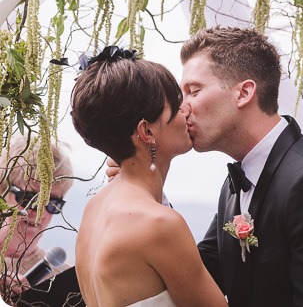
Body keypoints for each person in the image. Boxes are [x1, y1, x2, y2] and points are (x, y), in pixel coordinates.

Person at [108, 28, 303, 306]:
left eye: (193, 91)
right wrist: (145, 191)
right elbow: (201, 274)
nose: (183, 108)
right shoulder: (235, 184)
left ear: (244, 93)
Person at [70, 47, 227, 307]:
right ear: (146, 131)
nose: (187, 110)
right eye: (176, 107)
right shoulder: (158, 224)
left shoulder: (93, 209)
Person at [0, 134, 73, 302]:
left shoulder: (63, 279)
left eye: (52, 203)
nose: (39, 213)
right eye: (29, 198)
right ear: (3, 191)